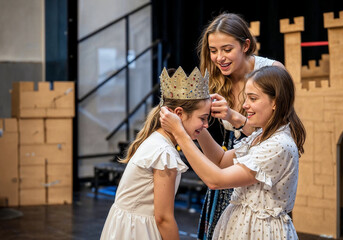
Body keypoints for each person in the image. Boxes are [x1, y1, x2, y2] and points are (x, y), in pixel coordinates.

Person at [160, 65, 306, 239]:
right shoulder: (261, 135)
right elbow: (221, 160)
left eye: (253, 98)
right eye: (246, 98)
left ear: (275, 102)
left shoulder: (279, 145)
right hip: (241, 225)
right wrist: (197, 124)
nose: (245, 105)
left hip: (259, 231)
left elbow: (216, 180)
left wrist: (180, 134)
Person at [196, 12, 285, 239]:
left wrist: (235, 117)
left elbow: (277, 131)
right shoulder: (216, 77)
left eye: (227, 49)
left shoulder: (272, 72)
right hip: (231, 155)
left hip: (260, 164)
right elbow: (222, 160)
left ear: (245, 45)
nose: (219, 58)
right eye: (213, 51)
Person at [100, 67, 211, 240]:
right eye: (202, 118)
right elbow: (163, 218)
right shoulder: (164, 153)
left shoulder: (157, 139)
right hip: (138, 231)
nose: (206, 125)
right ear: (179, 114)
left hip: (127, 225)